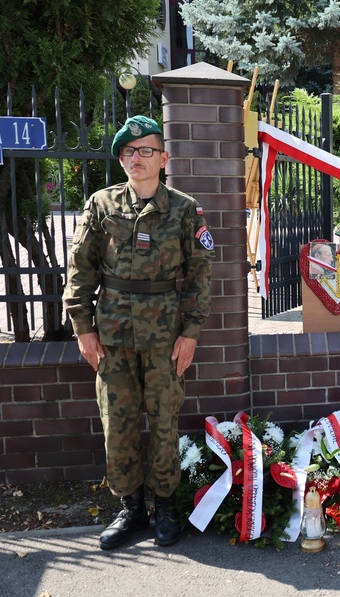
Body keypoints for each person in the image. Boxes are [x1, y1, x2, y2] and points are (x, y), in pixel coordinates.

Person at [63, 115, 213, 550]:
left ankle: (165, 506)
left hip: (167, 335)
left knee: (164, 422)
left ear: (164, 158)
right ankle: (131, 508)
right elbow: (81, 270)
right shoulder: (101, 205)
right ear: (121, 158)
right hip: (112, 334)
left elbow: (201, 274)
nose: (137, 158)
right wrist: (83, 329)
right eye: (129, 151)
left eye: (146, 150)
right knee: (118, 424)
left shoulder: (185, 210)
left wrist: (192, 332)